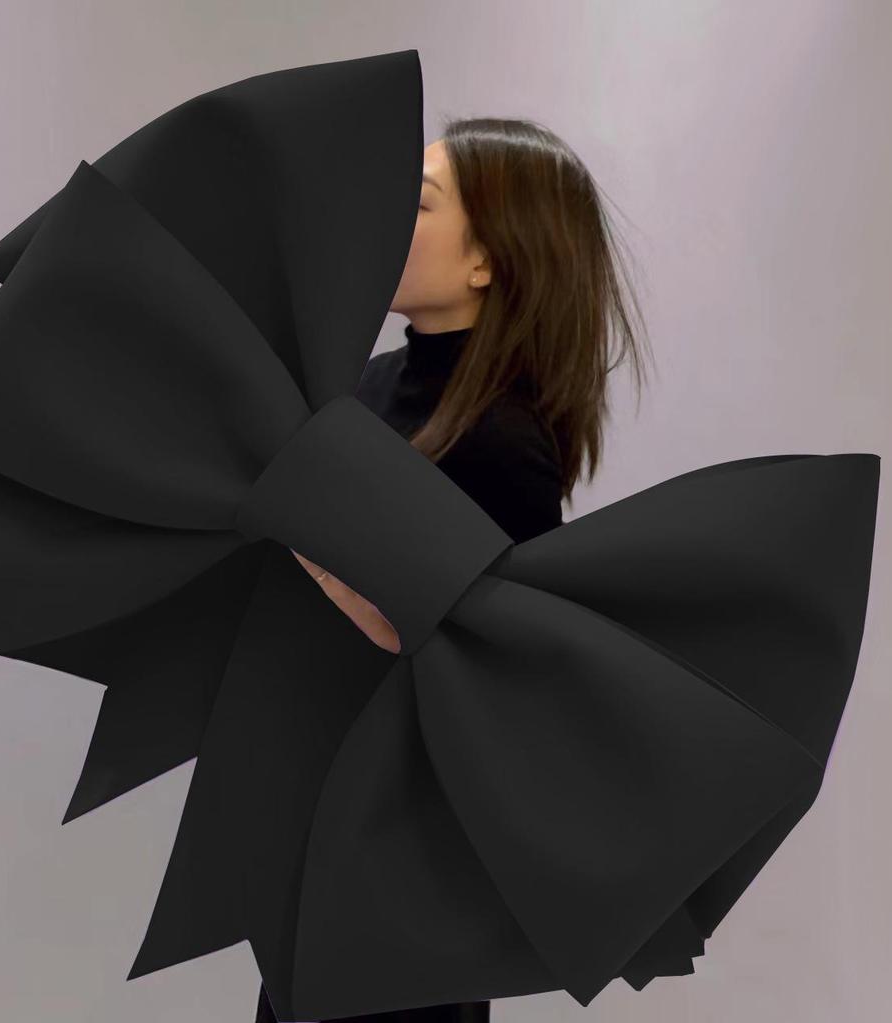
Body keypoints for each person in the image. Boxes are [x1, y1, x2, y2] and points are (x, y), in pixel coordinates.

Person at [268, 115, 648, 1021]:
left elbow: (476, 664)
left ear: (486, 259)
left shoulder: (505, 440)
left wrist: (304, 545)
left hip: (414, 845)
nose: (385, 216)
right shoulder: (364, 385)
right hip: (325, 812)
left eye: (420, 203)